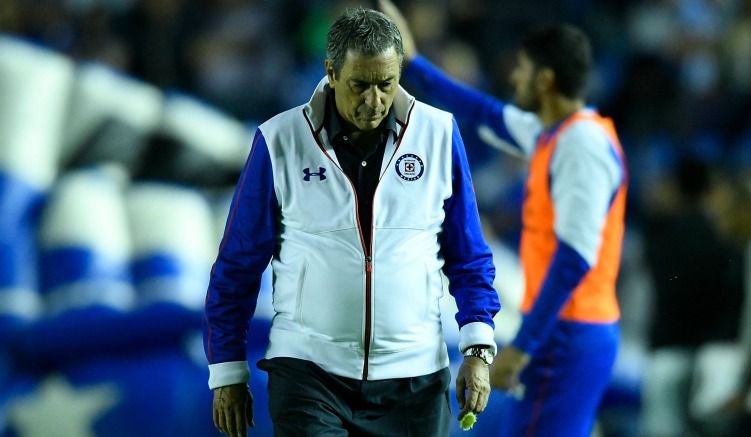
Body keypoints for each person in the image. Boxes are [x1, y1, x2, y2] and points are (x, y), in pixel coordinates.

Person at [203, 7, 501, 437]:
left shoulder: (438, 134)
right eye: (360, 85)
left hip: (415, 382)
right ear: (331, 71)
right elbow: (237, 265)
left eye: (387, 84)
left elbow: (468, 255)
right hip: (308, 375)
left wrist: (477, 348)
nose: (374, 100)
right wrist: (227, 372)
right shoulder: (279, 140)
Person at [379, 1, 627, 435]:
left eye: (523, 69)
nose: (514, 77)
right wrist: (412, 63)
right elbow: (481, 113)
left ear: (546, 81)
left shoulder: (581, 146)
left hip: (569, 331)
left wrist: (522, 347)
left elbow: (574, 260)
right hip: (564, 329)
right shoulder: (555, 133)